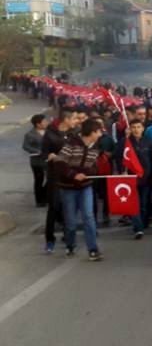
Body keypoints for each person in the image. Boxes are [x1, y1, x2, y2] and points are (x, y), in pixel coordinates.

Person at [53, 118, 104, 261]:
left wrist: (89, 174)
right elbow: (59, 162)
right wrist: (73, 175)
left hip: (86, 186)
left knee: (88, 217)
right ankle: (70, 244)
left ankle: (93, 249)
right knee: (70, 220)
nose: (100, 134)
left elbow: (94, 166)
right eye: (99, 131)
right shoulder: (71, 144)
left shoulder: (95, 146)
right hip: (68, 187)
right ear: (92, 132)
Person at [41, 108, 79, 253]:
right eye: (74, 118)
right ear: (66, 119)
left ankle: (68, 236)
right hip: (55, 176)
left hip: (70, 175)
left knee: (68, 208)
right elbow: (44, 153)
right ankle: (50, 240)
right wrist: (50, 155)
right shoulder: (50, 134)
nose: (76, 121)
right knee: (54, 207)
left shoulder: (74, 134)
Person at [124, 119, 152, 239]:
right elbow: (120, 157)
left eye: (138, 127)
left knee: (144, 203)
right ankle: (138, 228)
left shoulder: (148, 141)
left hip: (146, 178)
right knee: (134, 203)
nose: (136, 130)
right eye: (133, 127)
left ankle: (143, 223)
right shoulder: (127, 142)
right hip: (132, 178)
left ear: (143, 128)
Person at [23, 114, 49, 207]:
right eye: (44, 121)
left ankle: (44, 195)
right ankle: (39, 201)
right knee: (39, 180)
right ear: (38, 124)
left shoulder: (49, 132)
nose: (46, 123)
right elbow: (25, 146)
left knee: (50, 179)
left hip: (48, 160)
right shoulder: (30, 134)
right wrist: (37, 151)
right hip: (36, 161)